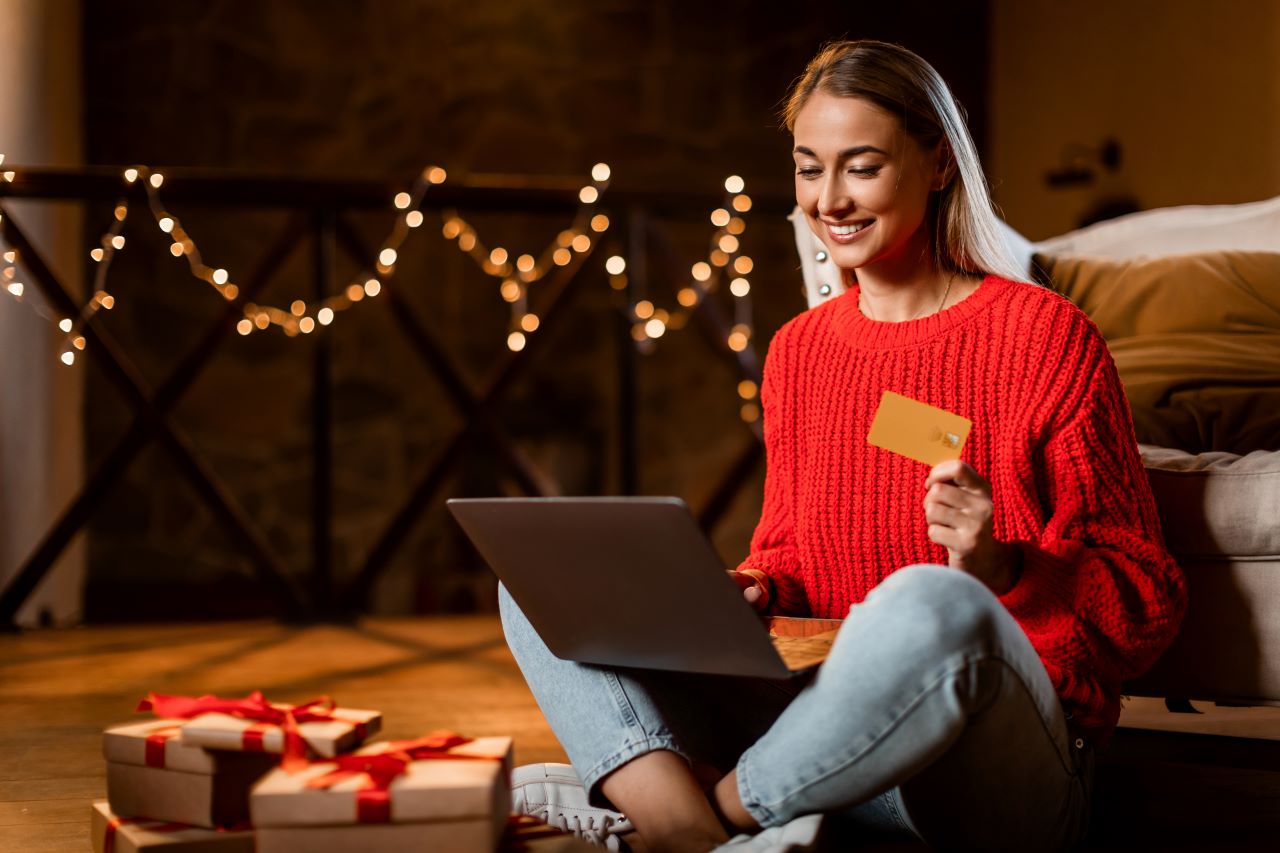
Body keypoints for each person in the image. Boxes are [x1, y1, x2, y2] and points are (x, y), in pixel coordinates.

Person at [500, 40, 1186, 852]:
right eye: (808, 167)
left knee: (929, 601)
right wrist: (748, 588)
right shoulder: (799, 351)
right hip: (810, 741)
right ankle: (693, 827)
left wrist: (1005, 568)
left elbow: (1147, 604)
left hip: (984, 770)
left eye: (861, 167)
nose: (829, 199)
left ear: (936, 165)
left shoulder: (1048, 338)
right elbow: (791, 554)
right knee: (547, 582)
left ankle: (686, 818)